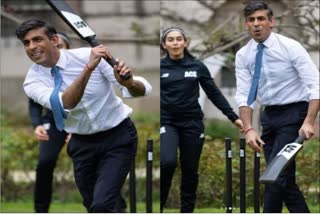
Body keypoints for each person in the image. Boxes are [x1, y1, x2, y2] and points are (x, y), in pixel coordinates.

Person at [16, 20, 152, 212]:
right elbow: (66, 103)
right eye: (26, 43)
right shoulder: (32, 81)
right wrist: (88, 68)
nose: (31, 47)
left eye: (37, 39)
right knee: (93, 206)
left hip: (118, 138)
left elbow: (141, 89)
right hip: (81, 144)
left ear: (54, 40)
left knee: (101, 205)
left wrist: (129, 82)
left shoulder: (88, 55)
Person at [235, 1, 319, 213]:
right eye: (252, 20)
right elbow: (245, 95)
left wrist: (309, 121)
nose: (257, 24)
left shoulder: (290, 47)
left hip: (294, 113)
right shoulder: (243, 55)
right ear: (246, 24)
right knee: (284, 180)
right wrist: (249, 129)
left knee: (275, 175)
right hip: (269, 117)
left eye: (261, 19)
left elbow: (315, 84)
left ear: (271, 21)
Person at [160, 27, 244, 212]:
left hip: (192, 124)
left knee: (190, 170)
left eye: (179, 39)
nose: (175, 43)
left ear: (185, 42)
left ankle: (187, 210)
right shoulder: (160, 67)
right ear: (164, 45)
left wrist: (233, 117)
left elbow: (214, 93)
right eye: (171, 40)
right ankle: (159, 205)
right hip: (168, 123)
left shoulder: (197, 66)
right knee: (168, 162)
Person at [29, 32, 71, 213]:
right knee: (44, 163)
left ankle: (116, 207)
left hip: (82, 123)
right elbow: (33, 102)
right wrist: (37, 124)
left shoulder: (81, 69)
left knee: (91, 163)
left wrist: (77, 130)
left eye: (60, 46)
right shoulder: (39, 72)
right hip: (53, 124)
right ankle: (40, 210)